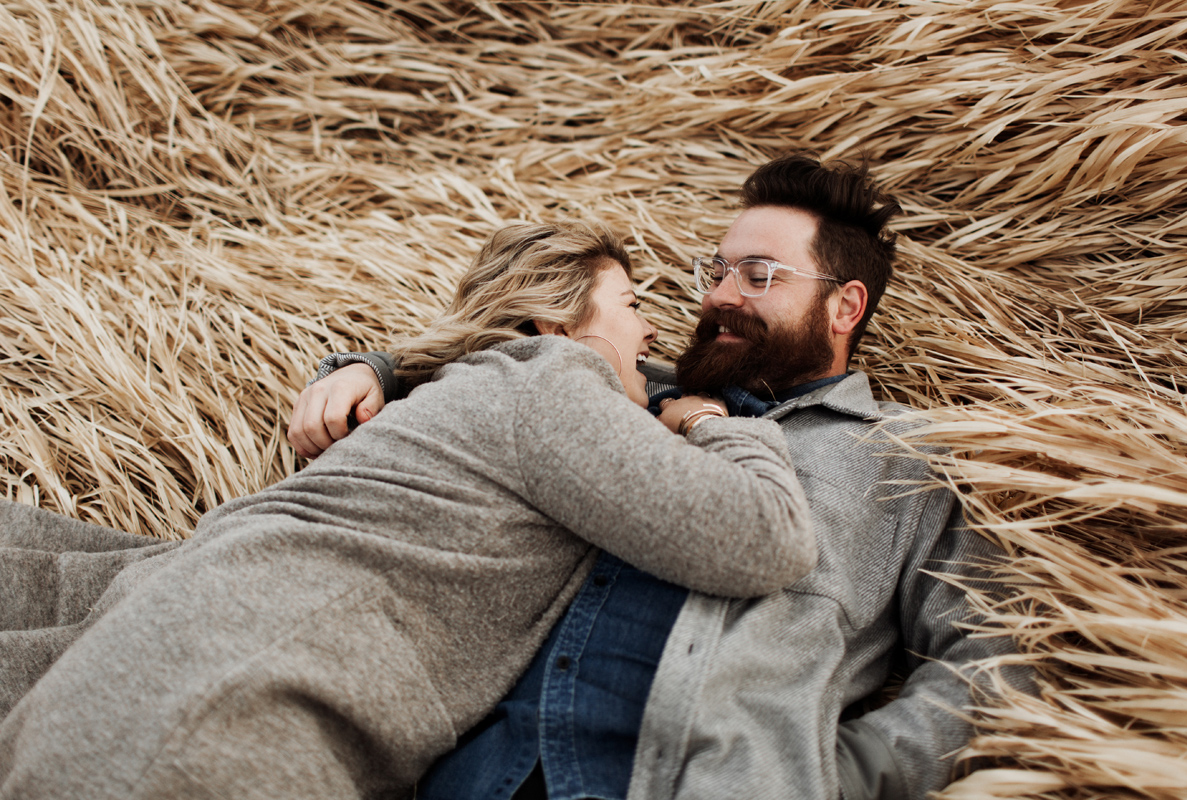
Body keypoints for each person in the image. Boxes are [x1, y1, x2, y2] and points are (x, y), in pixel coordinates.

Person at [290, 153, 1026, 800]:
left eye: (759, 275)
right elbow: (496, 355)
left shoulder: (905, 458)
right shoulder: (623, 386)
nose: (720, 295)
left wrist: (837, 775)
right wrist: (370, 369)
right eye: (718, 269)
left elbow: (994, 661)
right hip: (485, 776)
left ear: (845, 305)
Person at [0, 223, 818, 800]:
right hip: (234, 685)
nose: (649, 334)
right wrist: (715, 424)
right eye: (632, 304)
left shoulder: (480, 390)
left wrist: (378, 366)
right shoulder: (550, 379)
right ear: (555, 321)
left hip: (206, 640)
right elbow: (763, 537)